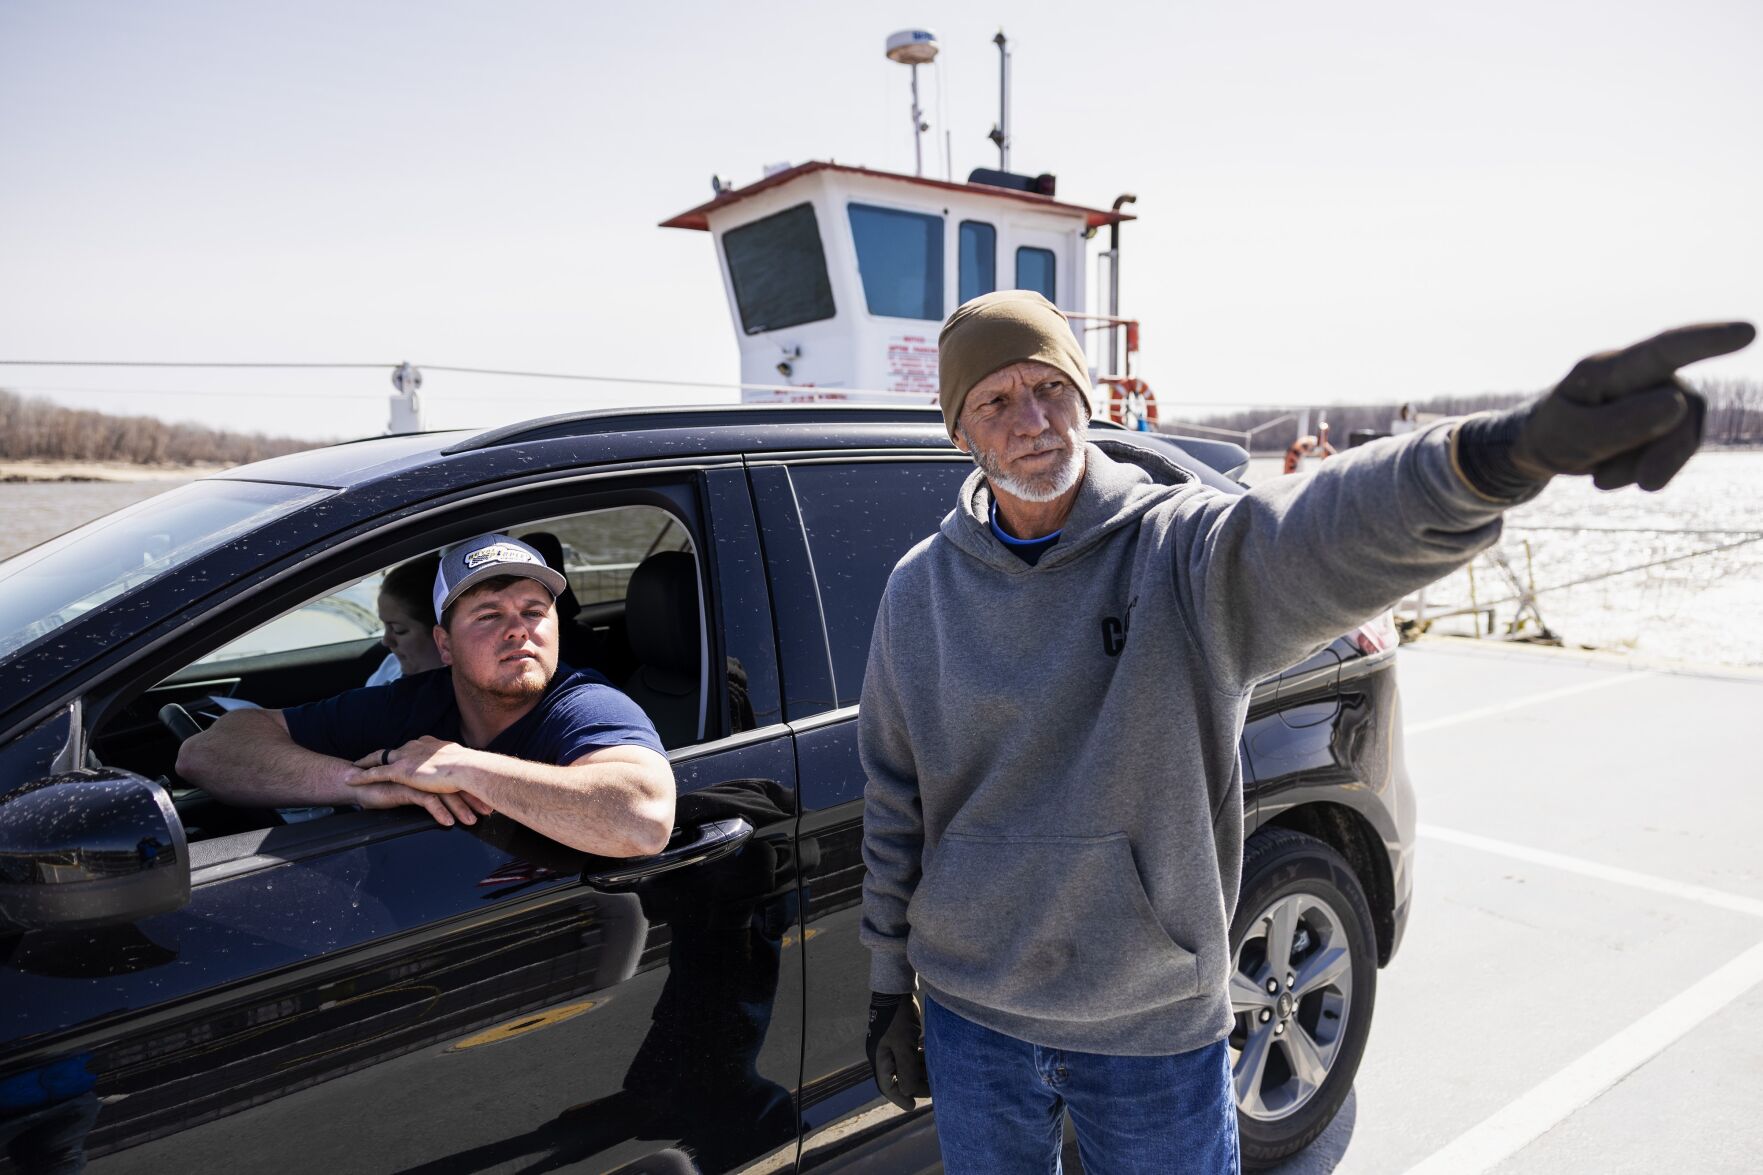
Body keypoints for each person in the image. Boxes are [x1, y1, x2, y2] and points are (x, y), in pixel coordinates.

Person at [857, 288, 1752, 1172]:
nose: (1033, 420)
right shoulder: (917, 591)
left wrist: (1495, 456)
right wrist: (889, 984)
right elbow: (895, 803)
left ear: (1086, 400)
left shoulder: (1177, 553)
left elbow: (1312, 534)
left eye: (1050, 388)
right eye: (996, 400)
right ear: (961, 431)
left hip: (1149, 1026)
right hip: (974, 1022)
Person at [179, 532, 675, 857]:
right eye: (488, 615)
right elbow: (205, 754)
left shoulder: (586, 704)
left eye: (534, 611)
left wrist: (460, 767)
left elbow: (642, 818)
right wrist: (360, 782)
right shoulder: (413, 701)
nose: (518, 630)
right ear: (444, 645)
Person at [365, 552, 445, 686]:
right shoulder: (391, 666)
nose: (386, 641)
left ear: (442, 636)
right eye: (385, 625)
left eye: (398, 630)